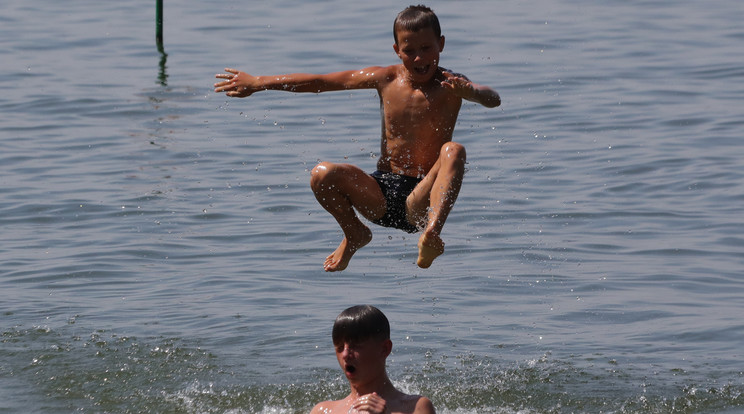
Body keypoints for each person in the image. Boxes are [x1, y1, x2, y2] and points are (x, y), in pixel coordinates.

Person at [214, 5, 500, 272]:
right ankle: (355, 232)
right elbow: (322, 82)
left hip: (421, 199)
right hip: (379, 193)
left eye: (426, 48)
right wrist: (258, 83)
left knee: (453, 150)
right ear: (396, 50)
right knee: (322, 174)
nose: (419, 58)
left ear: (441, 44)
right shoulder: (385, 78)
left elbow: (492, 99)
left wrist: (472, 94)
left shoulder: (452, 84)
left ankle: (431, 236)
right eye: (409, 50)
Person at [310, 305, 435, 414]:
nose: (345, 354)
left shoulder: (416, 407)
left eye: (355, 346)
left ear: (384, 349)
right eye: (340, 347)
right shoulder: (323, 411)